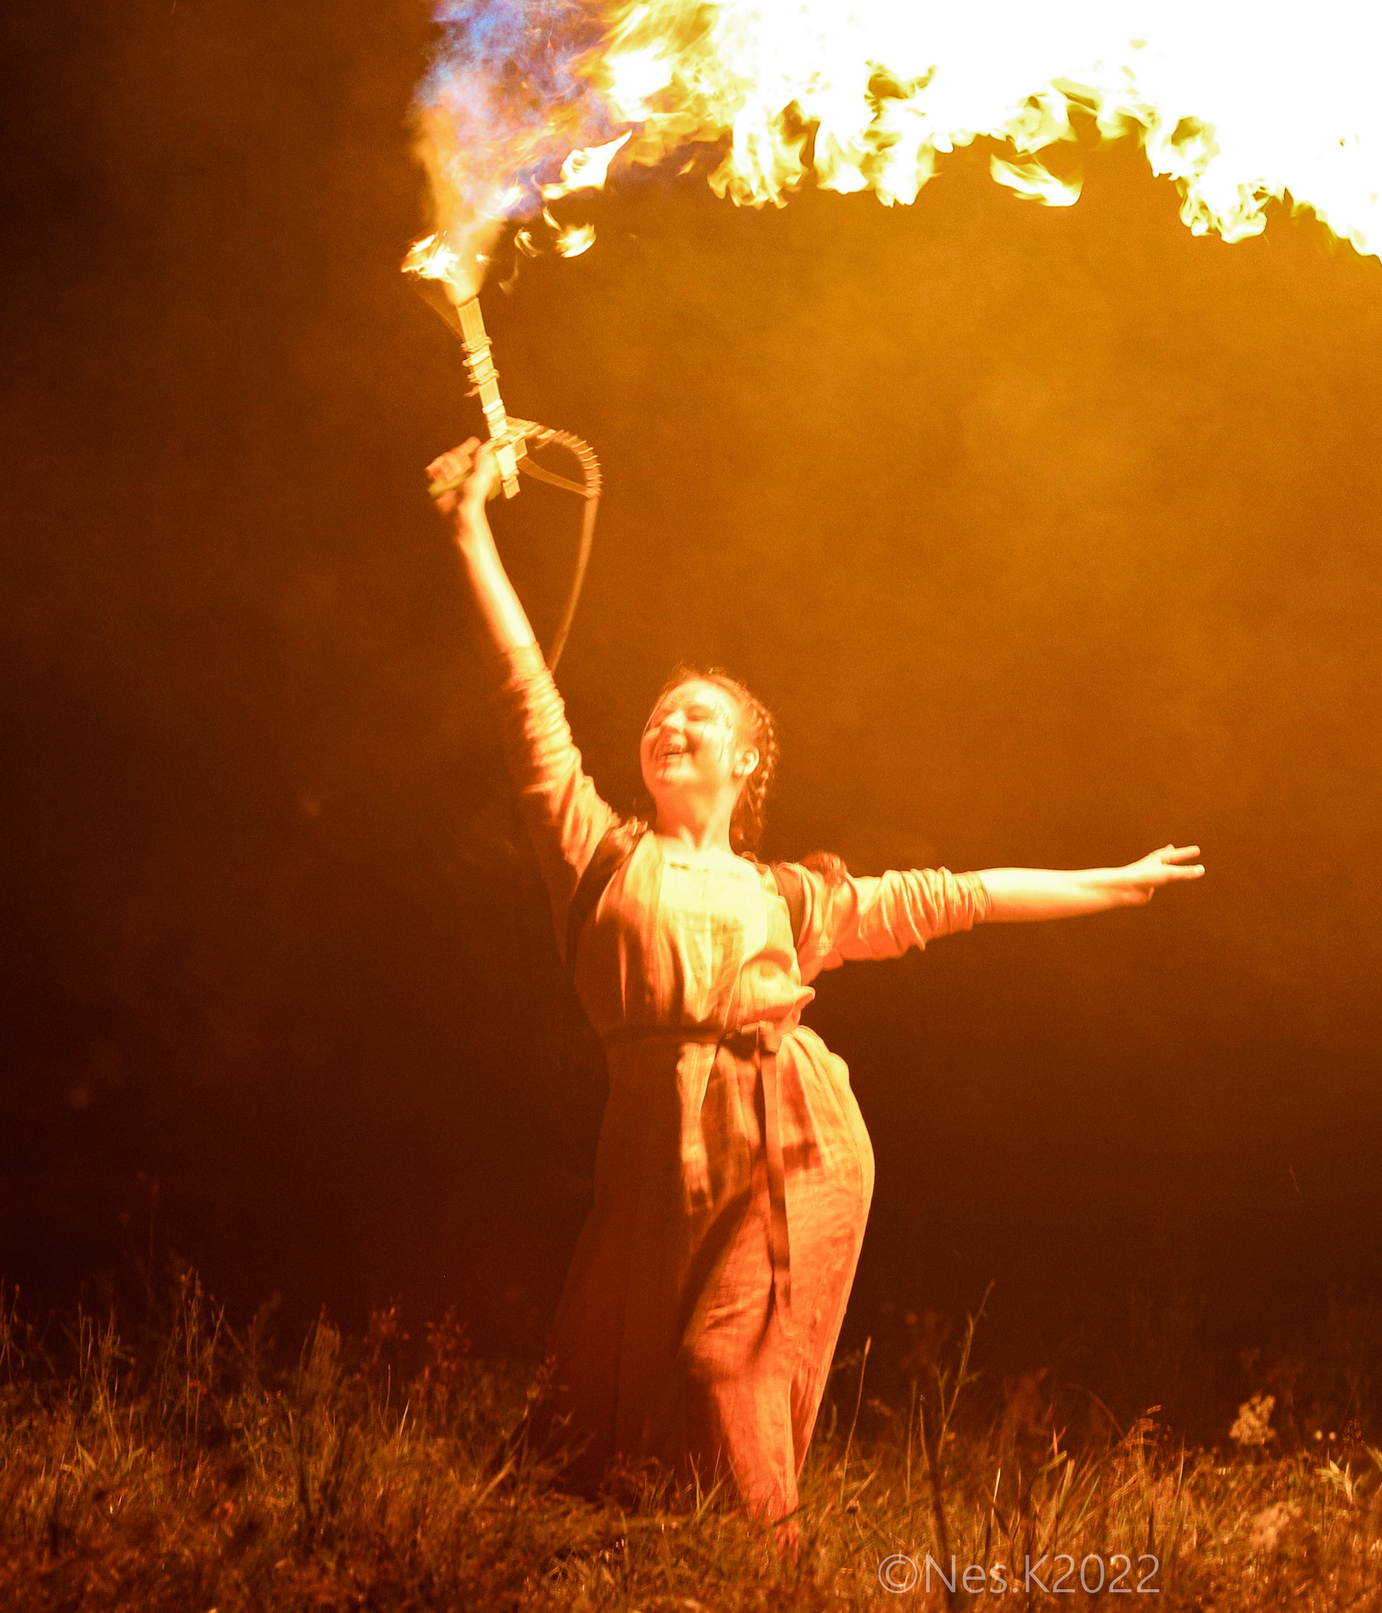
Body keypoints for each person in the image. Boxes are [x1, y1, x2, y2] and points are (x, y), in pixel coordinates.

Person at [424, 436, 1203, 1530]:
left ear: (745, 761)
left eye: (700, 713)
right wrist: (469, 530)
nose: (669, 721)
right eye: (658, 710)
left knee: (719, 1370)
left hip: (793, 1136)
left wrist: (1111, 885)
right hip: (655, 1150)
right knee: (606, 1409)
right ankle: (671, 1566)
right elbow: (525, 695)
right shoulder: (596, 853)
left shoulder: (789, 896)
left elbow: (955, 894)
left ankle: (765, 1569)